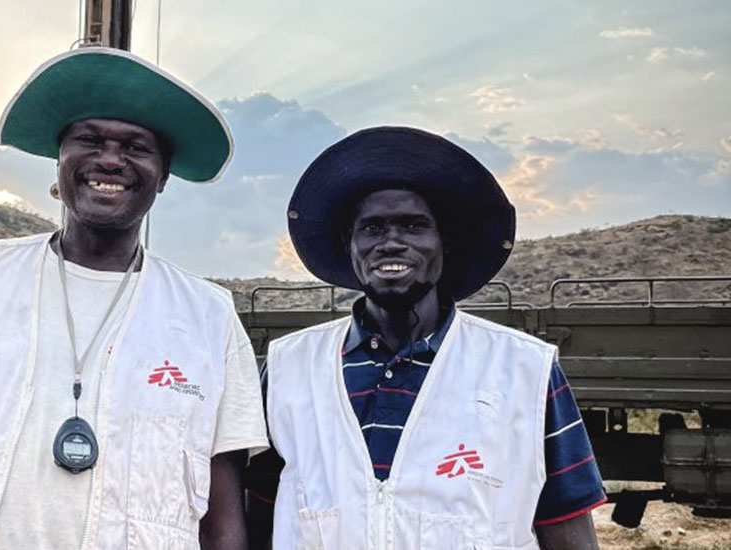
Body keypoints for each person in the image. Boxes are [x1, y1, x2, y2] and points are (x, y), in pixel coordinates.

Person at [0, 47, 268, 550]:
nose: (110, 159)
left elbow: (221, 516)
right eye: (88, 139)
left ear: (163, 177)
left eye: (136, 147)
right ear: (60, 159)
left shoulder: (207, 317)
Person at [246, 127, 605, 549]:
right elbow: (260, 515)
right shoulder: (290, 367)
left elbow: (567, 529)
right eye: (372, 228)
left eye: (414, 226)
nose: (391, 243)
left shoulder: (525, 369)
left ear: (444, 242)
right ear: (350, 245)